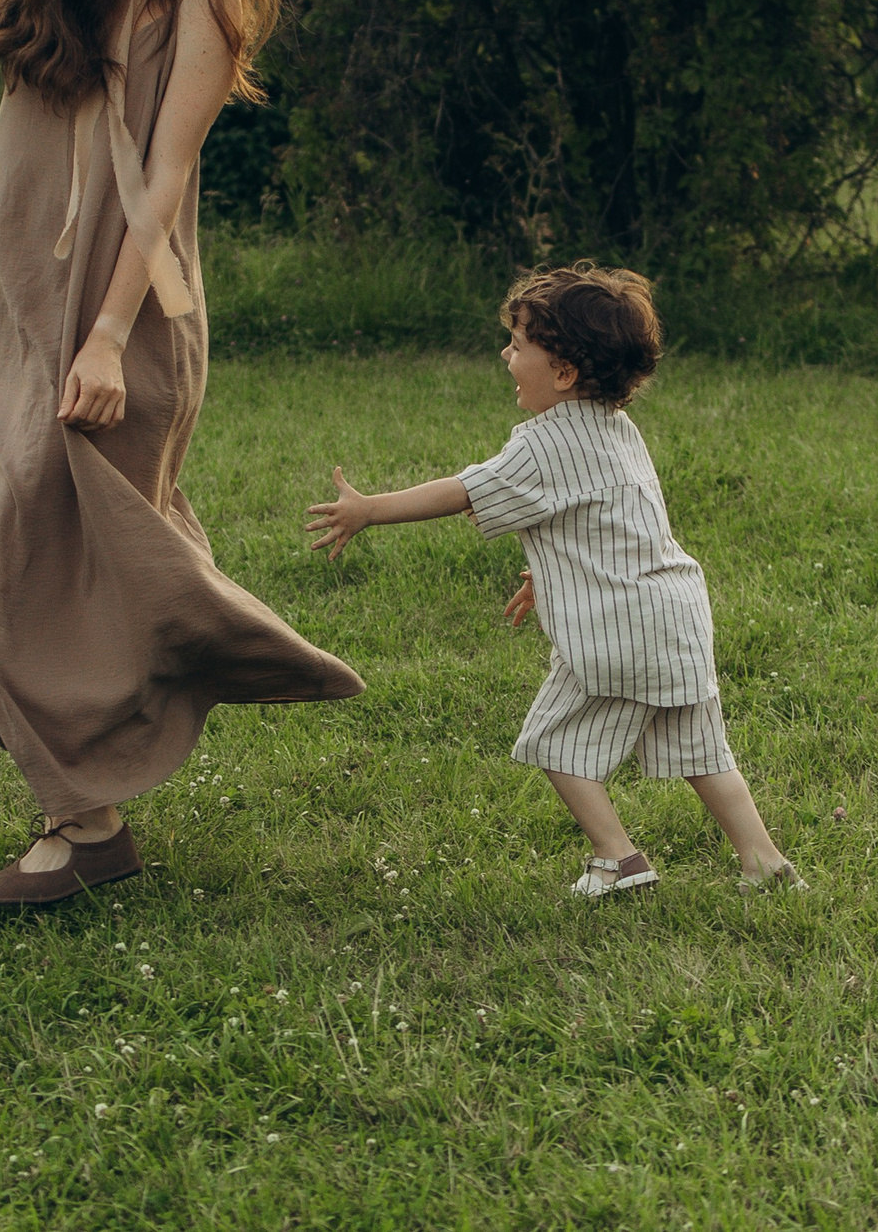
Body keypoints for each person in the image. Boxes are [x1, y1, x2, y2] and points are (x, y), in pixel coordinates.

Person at [0, 0, 364, 908]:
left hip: (124, 314)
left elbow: (160, 183)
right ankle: (88, 809)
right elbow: (22, 158)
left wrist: (105, 338)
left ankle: (90, 817)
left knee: (11, 569)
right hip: (13, 295)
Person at [303, 264, 804, 897]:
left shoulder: (543, 443)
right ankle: (764, 862)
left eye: (517, 345)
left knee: (555, 741)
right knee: (704, 750)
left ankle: (618, 860)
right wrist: (552, 573)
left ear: (564, 371)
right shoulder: (618, 431)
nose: (506, 355)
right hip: (675, 612)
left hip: (618, 626)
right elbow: (611, 524)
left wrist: (370, 509)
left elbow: (466, 492)